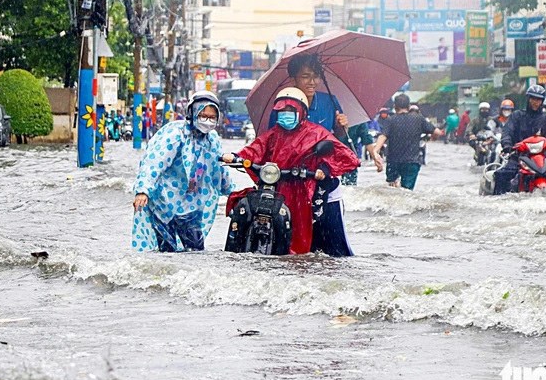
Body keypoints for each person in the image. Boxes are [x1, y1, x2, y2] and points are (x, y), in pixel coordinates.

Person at [223, 88, 359, 255]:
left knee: (305, 237)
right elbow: (255, 150)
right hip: (278, 187)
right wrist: (235, 156)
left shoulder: (316, 133)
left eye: (290, 110)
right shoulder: (273, 134)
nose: (285, 114)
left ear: (301, 111)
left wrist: (323, 169)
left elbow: (346, 157)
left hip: (304, 189)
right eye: (282, 110)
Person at [131, 91, 234, 252]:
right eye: (203, 115)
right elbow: (154, 162)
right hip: (164, 202)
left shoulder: (212, 139)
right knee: (167, 251)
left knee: (195, 250)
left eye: (212, 117)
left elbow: (219, 170)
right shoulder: (175, 133)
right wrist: (143, 190)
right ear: (192, 113)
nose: (207, 121)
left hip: (191, 206)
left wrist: (234, 195)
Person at [493, 85, 546, 195]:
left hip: (544, 158)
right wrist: (507, 145)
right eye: (533, 98)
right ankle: (498, 201)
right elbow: (507, 132)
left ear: (542, 101)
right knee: (503, 174)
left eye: (538, 99)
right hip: (518, 156)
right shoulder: (517, 116)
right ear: (528, 99)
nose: (535, 102)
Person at [374, 93, 442, 190]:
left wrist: (375, 151)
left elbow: (383, 136)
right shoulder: (418, 119)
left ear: (395, 107)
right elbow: (437, 132)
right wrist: (433, 138)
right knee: (407, 192)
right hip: (412, 162)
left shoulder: (390, 120)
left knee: (391, 190)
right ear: (409, 106)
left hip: (393, 161)